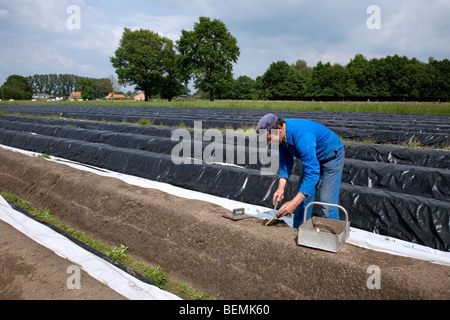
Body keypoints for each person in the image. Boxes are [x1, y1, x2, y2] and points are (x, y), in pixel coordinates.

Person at [256, 113, 345, 228]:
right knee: (303, 196)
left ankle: (333, 234)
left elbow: (312, 172)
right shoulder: (281, 136)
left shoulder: (302, 136)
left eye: (268, 139)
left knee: (326, 201)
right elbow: (285, 161)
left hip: (331, 157)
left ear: (278, 129)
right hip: (312, 157)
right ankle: (299, 229)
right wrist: (280, 188)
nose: (268, 143)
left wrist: (294, 203)